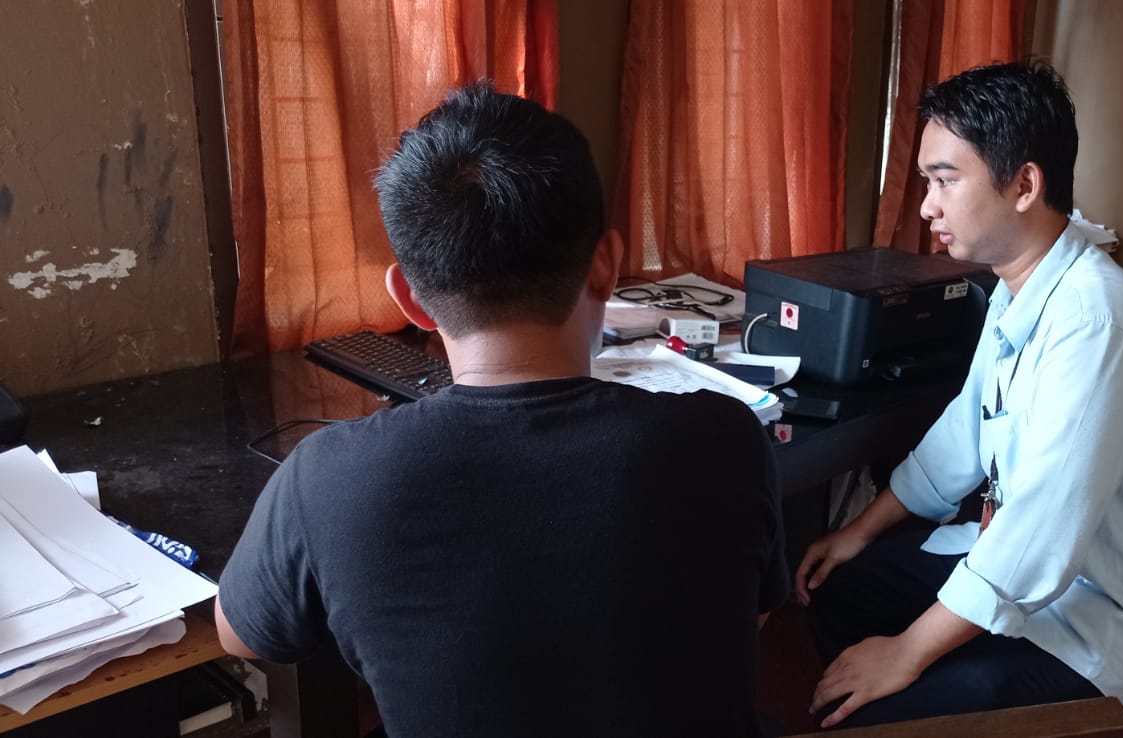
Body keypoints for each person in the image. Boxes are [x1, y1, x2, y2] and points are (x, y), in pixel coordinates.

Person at [214, 82, 788, 738]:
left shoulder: (326, 479)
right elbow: (749, 615)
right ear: (606, 264)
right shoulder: (726, 440)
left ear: (410, 298)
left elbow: (243, 635)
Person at [795, 60, 1123, 729]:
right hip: (1035, 572)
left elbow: (1040, 530)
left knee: (887, 711)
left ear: (1024, 185)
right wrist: (858, 531)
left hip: (1102, 622)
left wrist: (907, 653)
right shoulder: (1017, 287)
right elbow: (965, 432)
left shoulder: (1097, 323)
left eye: (944, 180)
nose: (927, 206)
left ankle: (911, 699)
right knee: (841, 586)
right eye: (927, 181)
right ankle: (906, 692)